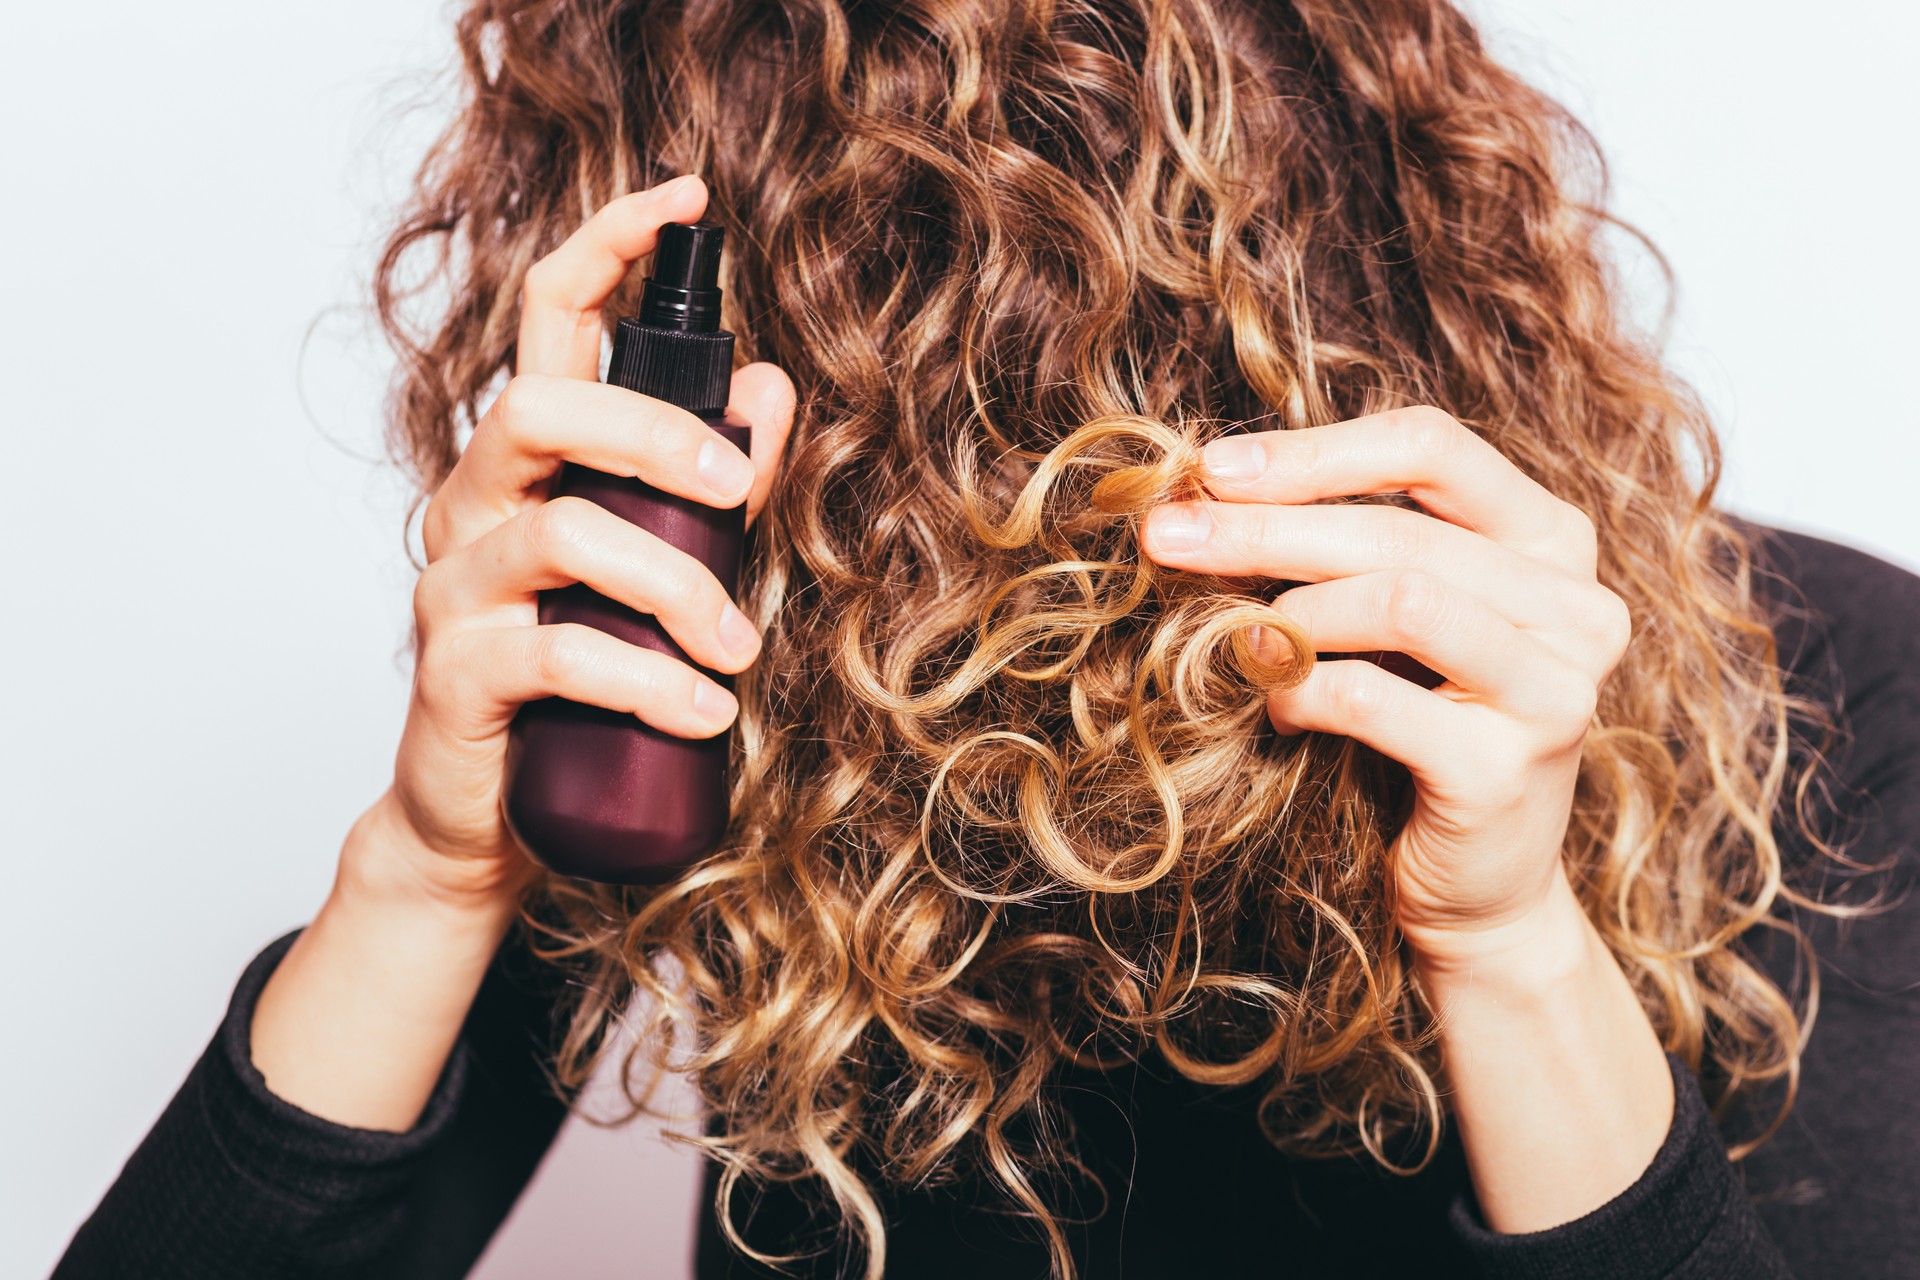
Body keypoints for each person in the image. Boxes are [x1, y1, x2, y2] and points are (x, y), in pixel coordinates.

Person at [51, 1, 1920, 1277]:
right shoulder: (729, 696)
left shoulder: (1843, 686)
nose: (1007, 592)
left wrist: (1513, 952)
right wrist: (432, 865)